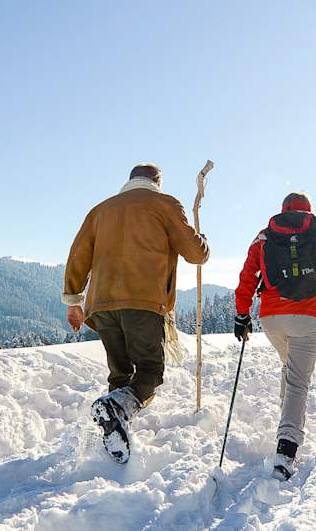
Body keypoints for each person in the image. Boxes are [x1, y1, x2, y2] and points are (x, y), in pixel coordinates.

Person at [63, 163, 210, 464]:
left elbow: (78, 255)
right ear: (157, 181)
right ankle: (117, 412)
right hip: (143, 302)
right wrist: (203, 241)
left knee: (120, 378)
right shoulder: (165, 204)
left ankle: (116, 437)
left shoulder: (101, 210)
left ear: (129, 181)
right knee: (149, 372)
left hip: (101, 306)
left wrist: (74, 301)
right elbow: (195, 253)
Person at [233, 191, 316, 481]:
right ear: (308, 210)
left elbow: (247, 277)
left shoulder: (264, 236)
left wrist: (241, 314)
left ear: (284, 209)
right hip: (310, 316)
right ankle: (286, 449)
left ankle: (287, 419)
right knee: (298, 380)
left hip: (272, 317)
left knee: (290, 369)